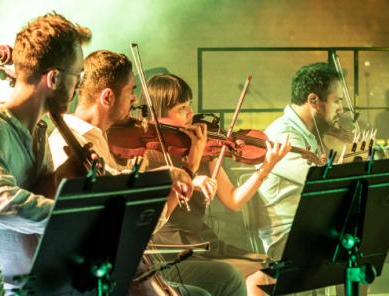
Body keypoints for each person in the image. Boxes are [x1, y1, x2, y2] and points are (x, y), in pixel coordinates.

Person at [48, 50, 247, 296]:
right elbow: (110, 226)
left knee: (216, 283)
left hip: (129, 263)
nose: (135, 100)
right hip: (99, 277)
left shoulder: (98, 140)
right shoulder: (68, 144)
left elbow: (138, 218)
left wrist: (178, 174)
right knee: (215, 285)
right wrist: (177, 174)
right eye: (131, 91)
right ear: (108, 97)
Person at [258, 62, 389, 296]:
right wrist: (354, 161)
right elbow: (322, 183)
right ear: (313, 100)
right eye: (337, 100)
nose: (341, 108)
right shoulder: (283, 136)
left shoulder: (312, 132)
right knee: (380, 247)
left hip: (325, 228)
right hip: (291, 238)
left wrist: (375, 158)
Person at [0, 12, 91, 290]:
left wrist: (66, 174)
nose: (78, 86)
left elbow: (37, 193)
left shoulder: (39, 133)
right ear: (53, 78)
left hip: (43, 285)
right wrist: (80, 215)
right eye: (78, 75)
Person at [144, 73, 291, 296]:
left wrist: (266, 168)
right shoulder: (148, 154)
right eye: (181, 108)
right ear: (159, 114)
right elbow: (151, 201)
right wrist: (190, 179)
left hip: (203, 242)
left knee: (271, 267)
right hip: (172, 249)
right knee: (252, 274)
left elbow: (234, 200)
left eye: (189, 104)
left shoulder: (203, 147)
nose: (190, 114)